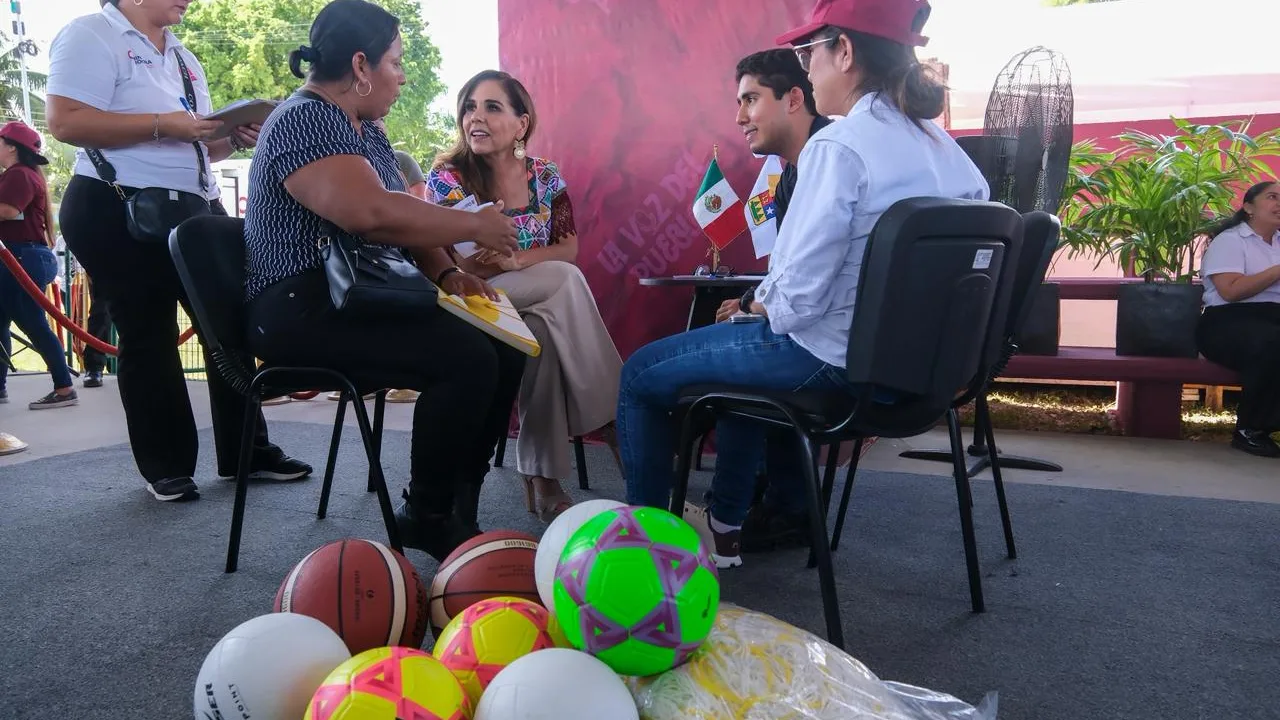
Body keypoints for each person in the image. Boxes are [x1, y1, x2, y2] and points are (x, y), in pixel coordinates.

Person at [616, 0, 989, 568]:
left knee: (640, 374)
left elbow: (795, 302)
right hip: (919, 380)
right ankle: (726, 522)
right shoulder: (953, 159)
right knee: (730, 360)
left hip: (829, 362)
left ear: (844, 51)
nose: (807, 68)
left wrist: (753, 304)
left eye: (808, 52)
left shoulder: (838, 147)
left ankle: (643, 558)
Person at [243, 0, 524, 561]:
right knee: (466, 359)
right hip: (300, 307)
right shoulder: (302, 119)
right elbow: (369, 214)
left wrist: (448, 272)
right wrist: (473, 224)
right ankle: (428, 514)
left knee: (503, 346)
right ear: (361, 66)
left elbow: (402, 215)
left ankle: (456, 507)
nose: (402, 75)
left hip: (357, 295)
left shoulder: (365, 128)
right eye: (395, 62)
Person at [46, 0, 310, 502]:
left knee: (229, 327)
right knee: (148, 332)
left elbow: (199, 145)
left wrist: (232, 138)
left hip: (192, 205)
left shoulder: (185, 57)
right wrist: (165, 124)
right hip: (115, 203)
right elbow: (64, 121)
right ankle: (166, 464)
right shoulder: (92, 33)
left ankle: (247, 452)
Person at [424, 69, 624, 523]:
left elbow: (568, 246)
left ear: (521, 124)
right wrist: (494, 262)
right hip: (473, 296)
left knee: (542, 333)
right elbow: (457, 259)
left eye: (492, 107)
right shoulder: (447, 177)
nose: (476, 116)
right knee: (565, 281)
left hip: (528, 292)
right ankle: (614, 415)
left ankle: (543, 478)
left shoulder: (545, 176)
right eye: (469, 106)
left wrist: (516, 262)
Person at [709, 49, 836, 552]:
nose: (739, 117)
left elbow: (812, 287)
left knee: (730, 367)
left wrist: (752, 308)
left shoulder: (831, 162)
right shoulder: (792, 175)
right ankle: (784, 501)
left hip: (836, 353)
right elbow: (793, 268)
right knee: (745, 337)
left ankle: (722, 524)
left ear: (795, 98)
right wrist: (750, 301)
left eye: (750, 100)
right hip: (855, 345)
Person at [1196, 180, 1280, 457]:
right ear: (1248, 207)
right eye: (1272, 197)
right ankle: (1250, 431)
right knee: (1270, 343)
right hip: (1227, 322)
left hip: (1273, 318)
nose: (1279, 203)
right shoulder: (1230, 241)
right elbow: (1230, 291)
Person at [0, 120, 77, 410]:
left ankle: (64, 386)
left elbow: (8, 210)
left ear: (11, 147)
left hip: (21, 257)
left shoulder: (19, 175)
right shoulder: (23, 174)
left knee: (32, 322)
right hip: (24, 256)